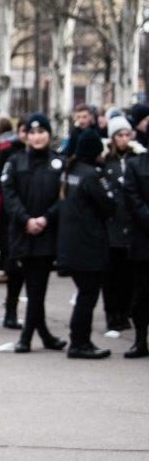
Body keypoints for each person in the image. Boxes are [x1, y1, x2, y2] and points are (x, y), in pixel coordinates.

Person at [1, 113, 68, 354]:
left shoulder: (59, 163)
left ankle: (28, 336)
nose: (37, 137)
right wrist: (26, 219)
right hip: (22, 232)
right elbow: (9, 195)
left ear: (49, 135)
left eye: (42, 132)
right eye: (33, 133)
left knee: (37, 286)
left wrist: (45, 218)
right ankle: (41, 335)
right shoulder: (16, 161)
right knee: (33, 285)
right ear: (26, 136)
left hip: (47, 232)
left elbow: (63, 197)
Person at [57, 128, 115, 359]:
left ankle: (80, 340)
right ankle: (80, 342)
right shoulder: (92, 175)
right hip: (89, 244)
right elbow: (108, 206)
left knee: (84, 294)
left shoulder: (69, 172)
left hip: (71, 243)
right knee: (88, 296)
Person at [103, 115, 140, 333]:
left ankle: (125, 312)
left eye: (127, 135)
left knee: (128, 275)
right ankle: (112, 313)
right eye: (120, 135)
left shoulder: (136, 159)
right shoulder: (107, 161)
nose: (124, 139)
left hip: (131, 225)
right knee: (111, 276)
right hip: (111, 224)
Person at [0, 117, 28, 328]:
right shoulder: (10, 154)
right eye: (26, 131)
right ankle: (11, 310)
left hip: (38, 218)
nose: (31, 136)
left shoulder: (51, 159)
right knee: (15, 264)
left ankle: (34, 319)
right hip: (14, 215)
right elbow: (2, 182)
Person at [121, 129, 149, 359]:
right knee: (141, 293)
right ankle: (140, 340)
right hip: (143, 241)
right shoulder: (135, 165)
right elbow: (132, 197)